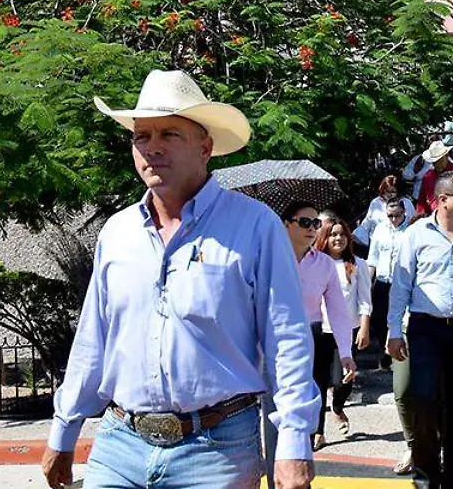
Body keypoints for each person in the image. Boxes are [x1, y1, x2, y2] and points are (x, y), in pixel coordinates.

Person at [42, 70, 319, 489]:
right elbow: (93, 340)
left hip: (217, 449)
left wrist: (294, 443)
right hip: (120, 443)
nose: (151, 148)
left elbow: (287, 340)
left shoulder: (255, 226)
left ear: (205, 147)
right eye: (141, 136)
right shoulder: (117, 233)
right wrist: (64, 430)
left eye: (169, 134)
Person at [387, 171, 453, 489]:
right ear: (443, 200)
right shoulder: (416, 234)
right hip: (425, 329)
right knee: (423, 400)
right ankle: (425, 475)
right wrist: (394, 329)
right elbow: (400, 286)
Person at [273, 202, 357, 457]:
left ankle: (302, 456)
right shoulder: (268, 257)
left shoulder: (324, 264)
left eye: (316, 223)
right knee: (273, 409)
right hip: (271, 337)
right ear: (287, 225)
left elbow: (338, 311)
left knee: (308, 401)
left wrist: (345, 352)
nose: (312, 228)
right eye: (304, 222)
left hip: (310, 337)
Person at [318, 219, 372, 443]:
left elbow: (364, 300)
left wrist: (364, 327)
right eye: (332, 235)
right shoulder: (316, 263)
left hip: (347, 329)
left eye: (342, 234)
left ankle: (337, 406)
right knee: (318, 382)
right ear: (325, 239)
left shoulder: (358, 264)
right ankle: (317, 431)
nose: (337, 239)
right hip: (319, 330)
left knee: (343, 380)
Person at [368, 199, 408, 370]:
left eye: (397, 215)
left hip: (401, 282)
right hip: (383, 281)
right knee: (379, 318)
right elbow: (373, 258)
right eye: (390, 216)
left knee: (398, 317)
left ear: (404, 212)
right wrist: (368, 283)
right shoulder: (380, 229)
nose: (393, 219)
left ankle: (395, 351)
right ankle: (385, 349)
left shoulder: (410, 231)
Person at [354, 175, 415, 246]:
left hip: (400, 242)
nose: (389, 194)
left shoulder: (406, 203)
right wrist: (357, 235)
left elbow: (412, 222)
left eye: (393, 191)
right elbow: (368, 221)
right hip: (377, 241)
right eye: (387, 191)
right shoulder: (376, 202)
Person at [414, 141, 453, 217]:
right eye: (434, 162)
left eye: (439, 160)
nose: (436, 164)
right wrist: (420, 215)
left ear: (446, 155)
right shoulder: (428, 175)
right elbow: (422, 200)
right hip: (434, 215)